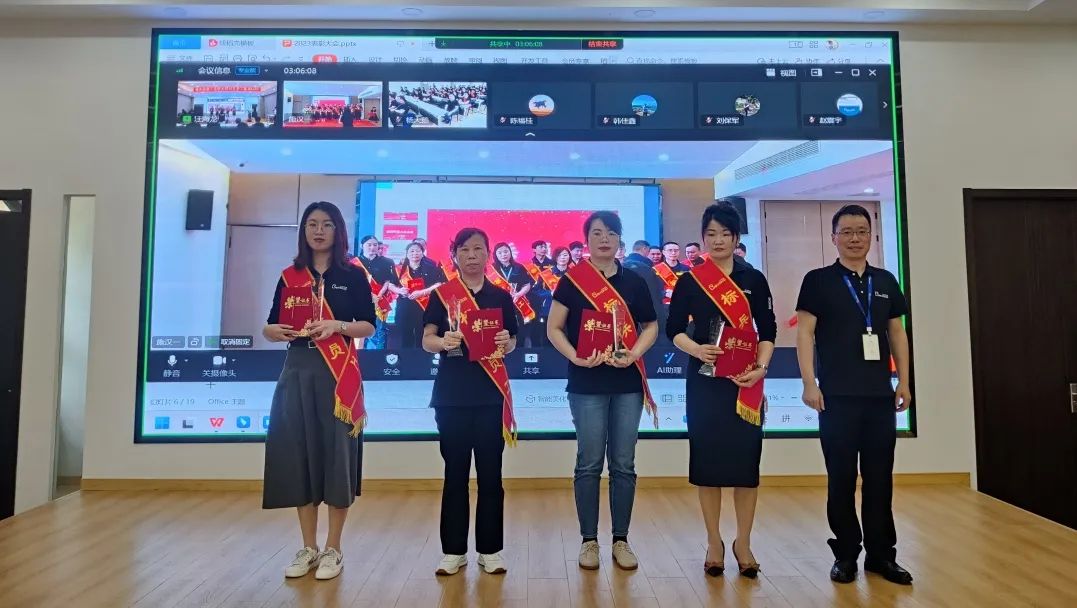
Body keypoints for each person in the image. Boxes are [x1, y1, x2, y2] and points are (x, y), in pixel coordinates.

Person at [795, 204, 913, 586]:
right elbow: (804, 334)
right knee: (841, 479)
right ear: (834, 238)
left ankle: (882, 556)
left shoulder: (886, 280)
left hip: (879, 398)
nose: (855, 238)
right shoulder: (818, 281)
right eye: (846, 232)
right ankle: (846, 554)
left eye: (861, 231)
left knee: (880, 479)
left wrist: (904, 381)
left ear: (871, 236)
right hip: (836, 398)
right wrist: (809, 383)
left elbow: (897, 333)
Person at [262, 201, 376, 581]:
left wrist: (337, 325)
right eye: (312, 224)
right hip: (297, 370)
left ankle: (334, 548)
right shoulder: (290, 276)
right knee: (300, 455)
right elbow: (271, 325)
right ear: (304, 231)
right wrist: (272, 331)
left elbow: (368, 326)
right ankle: (308, 547)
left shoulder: (353, 274)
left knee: (336, 457)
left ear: (338, 231)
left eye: (327, 224)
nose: (319, 231)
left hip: (337, 373)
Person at [667, 203, 776, 579]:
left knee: (746, 467)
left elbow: (768, 330)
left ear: (736, 237)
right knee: (708, 466)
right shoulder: (691, 280)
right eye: (710, 234)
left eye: (725, 234)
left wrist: (761, 368)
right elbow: (673, 329)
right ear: (702, 238)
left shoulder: (753, 279)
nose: (717, 241)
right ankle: (714, 542)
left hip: (746, 383)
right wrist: (697, 349)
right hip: (705, 382)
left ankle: (743, 542)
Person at [547, 211, 659, 572]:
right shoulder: (572, 280)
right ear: (587, 240)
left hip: (627, 383)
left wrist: (635, 353)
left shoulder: (635, 280)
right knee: (590, 462)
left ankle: (621, 540)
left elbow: (651, 326)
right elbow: (554, 328)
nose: (604, 239)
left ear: (620, 239)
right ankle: (589, 541)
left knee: (624, 464)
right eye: (597, 233)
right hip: (586, 383)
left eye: (611, 232)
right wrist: (576, 357)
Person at [423, 228, 518, 577]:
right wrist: (443, 341)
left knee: (491, 475)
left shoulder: (500, 296)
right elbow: (426, 339)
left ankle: (490, 550)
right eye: (465, 249)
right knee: (455, 474)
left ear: (488, 254)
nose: (472, 255)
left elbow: (512, 341)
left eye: (479, 249)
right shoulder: (442, 295)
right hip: (451, 396)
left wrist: (506, 341)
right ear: (455, 255)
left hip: (491, 395)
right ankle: (453, 551)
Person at [353, 236, 404, 349]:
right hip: (358, 301)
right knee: (358, 331)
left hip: (379, 301)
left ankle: (376, 356)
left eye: (375, 245)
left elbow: (387, 281)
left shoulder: (387, 262)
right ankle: (359, 355)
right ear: (362, 246)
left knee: (378, 331)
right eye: (369, 245)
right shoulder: (354, 262)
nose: (372, 247)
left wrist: (378, 296)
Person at [397, 241, 447, 349]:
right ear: (407, 253)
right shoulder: (399, 269)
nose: (415, 253)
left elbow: (439, 284)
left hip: (424, 306)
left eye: (418, 251)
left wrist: (423, 292)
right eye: (412, 251)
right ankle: (406, 357)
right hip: (405, 307)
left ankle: (422, 357)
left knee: (422, 334)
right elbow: (391, 284)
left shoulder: (431, 268)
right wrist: (399, 290)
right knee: (405, 335)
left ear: (422, 253)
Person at [622, 239, 668, 343]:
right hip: (648, 319)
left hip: (626, 318)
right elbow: (657, 293)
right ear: (644, 249)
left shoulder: (621, 266)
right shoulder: (647, 268)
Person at [525, 240, 554, 348]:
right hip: (533, 297)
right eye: (541, 247)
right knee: (534, 323)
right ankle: (535, 348)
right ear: (534, 249)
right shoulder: (529, 264)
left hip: (549, 297)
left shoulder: (552, 263)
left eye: (545, 247)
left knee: (548, 323)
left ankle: (549, 348)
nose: (544, 249)